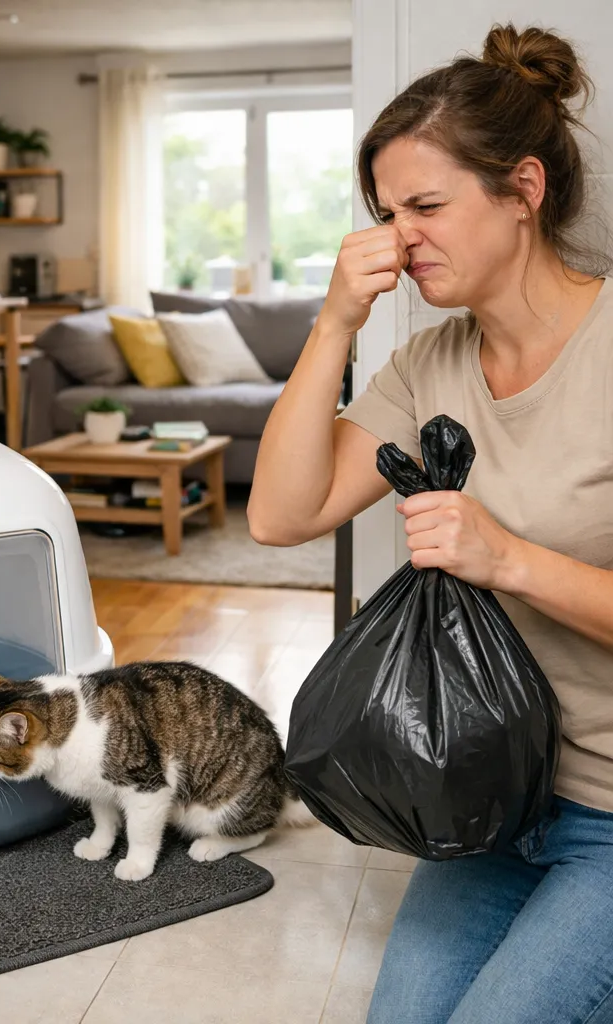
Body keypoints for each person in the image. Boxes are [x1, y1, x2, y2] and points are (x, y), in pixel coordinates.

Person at [249, 22, 613, 1024]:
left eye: (426, 206)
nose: (399, 238)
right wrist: (332, 325)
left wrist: (511, 560)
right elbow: (282, 513)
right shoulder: (430, 366)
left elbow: (515, 563)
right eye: (383, 212)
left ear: (523, 192)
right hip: (496, 799)